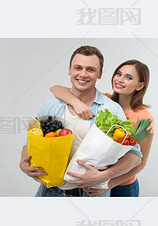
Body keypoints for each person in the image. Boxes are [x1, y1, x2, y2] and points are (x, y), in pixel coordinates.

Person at [19, 46, 142, 197]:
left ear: (100, 73)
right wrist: (23, 161)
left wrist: (105, 176)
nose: (83, 74)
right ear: (70, 69)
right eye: (78, 67)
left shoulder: (111, 109)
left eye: (90, 69)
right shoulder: (50, 106)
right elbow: (29, 143)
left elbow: (135, 156)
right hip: (49, 192)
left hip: (90, 194)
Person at [50, 59, 154, 197]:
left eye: (128, 77)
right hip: (91, 181)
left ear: (140, 85)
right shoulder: (104, 102)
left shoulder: (143, 117)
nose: (120, 80)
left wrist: (107, 184)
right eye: (118, 74)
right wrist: (76, 103)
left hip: (122, 185)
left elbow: (141, 162)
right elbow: (56, 89)